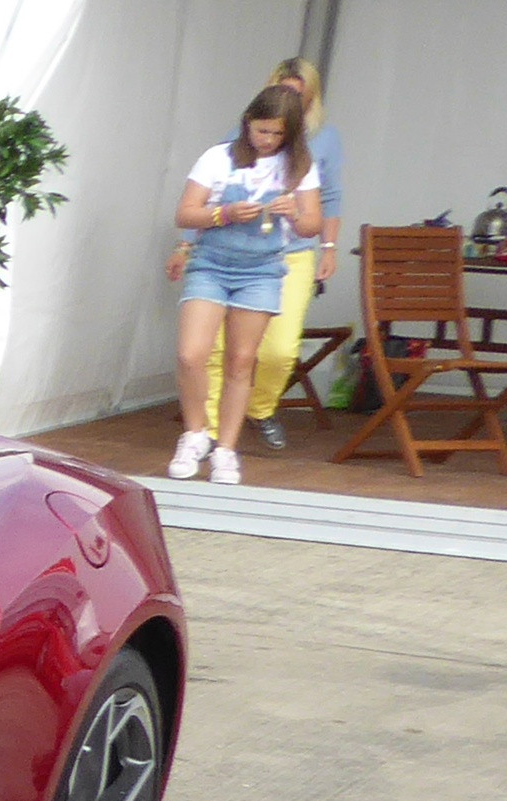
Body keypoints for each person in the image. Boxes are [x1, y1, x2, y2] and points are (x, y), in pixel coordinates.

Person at [167, 84, 320, 487]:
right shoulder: (218, 158)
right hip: (211, 265)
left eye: (276, 134)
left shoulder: (299, 166)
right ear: (247, 123)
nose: (267, 140)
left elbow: (312, 225)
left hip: (262, 271)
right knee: (191, 354)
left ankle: (226, 449)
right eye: (261, 130)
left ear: (290, 134)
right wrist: (224, 214)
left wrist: (294, 213)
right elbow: (185, 213)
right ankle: (195, 434)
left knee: (241, 360)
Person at [192, 56, 342, 450]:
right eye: (282, 90)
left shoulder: (323, 139)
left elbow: (330, 199)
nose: (288, 100)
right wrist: (187, 242)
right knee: (217, 348)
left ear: (311, 99)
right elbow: (206, 194)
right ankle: (208, 431)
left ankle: (259, 408)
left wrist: (328, 246)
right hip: (229, 250)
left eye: (298, 95)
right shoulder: (241, 136)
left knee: (279, 349)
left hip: (291, 254)